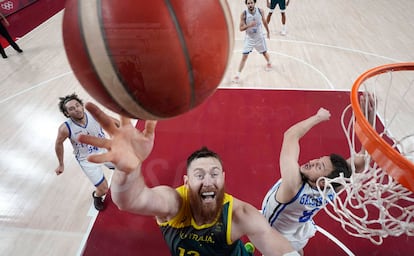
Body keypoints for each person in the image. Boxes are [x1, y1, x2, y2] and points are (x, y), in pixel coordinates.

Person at [77, 102, 300, 256]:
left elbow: (274, 242)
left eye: (214, 174)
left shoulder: (240, 215)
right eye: (199, 175)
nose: (208, 181)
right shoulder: (173, 203)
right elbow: (128, 200)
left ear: (223, 179)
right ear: (186, 182)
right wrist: (127, 170)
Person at [261, 93, 375, 255]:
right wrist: (368, 121)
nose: (312, 161)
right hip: (298, 231)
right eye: (318, 159)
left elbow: (291, 136)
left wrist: (318, 117)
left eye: (319, 166)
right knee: (297, 249)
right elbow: (362, 162)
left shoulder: (293, 186)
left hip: (276, 235)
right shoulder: (335, 184)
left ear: (322, 181)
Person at [54, 93, 116, 211]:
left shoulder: (94, 115)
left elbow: (113, 122)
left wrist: (124, 134)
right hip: (87, 160)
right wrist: (61, 164)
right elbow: (58, 144)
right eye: (71, 109)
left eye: (77, 105)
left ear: (82, 106)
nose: (76, 109)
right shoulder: (65, 128)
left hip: (104, 150)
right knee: (103, 189)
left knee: (127, 166)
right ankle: (97, 196)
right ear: (67, 113)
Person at [232, 0, 271, 83]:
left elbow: (264, 21)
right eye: (248, 3)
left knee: (264, 52)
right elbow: (240, 29)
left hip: (259, 37)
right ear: (246, 4)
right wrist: (249, 25)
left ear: (254, 3)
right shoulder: (244, 14)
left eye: (251, 3)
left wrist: (268, 31)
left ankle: (269, 62)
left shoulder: (260, 11)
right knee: (244, 56)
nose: (250, 4)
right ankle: (237, 75)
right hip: (249, 38)